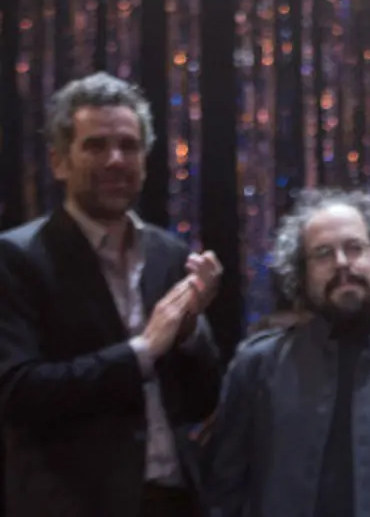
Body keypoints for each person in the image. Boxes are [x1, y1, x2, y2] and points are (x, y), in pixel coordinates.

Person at [0, 72, 224, 517]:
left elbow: (202, 401)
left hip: (176, 501)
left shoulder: (170, 253)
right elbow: (17, 393)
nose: (115, 159)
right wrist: (142, 350)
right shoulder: (17, 258)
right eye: (96, 145)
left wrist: (190, 332)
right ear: (59, 162)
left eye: (129, 145)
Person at [204, 188, 370, 517]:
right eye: (323, 254)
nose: (342, 263)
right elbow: (224, 498)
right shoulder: (257, 366)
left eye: (355, 248)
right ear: (302, 276)